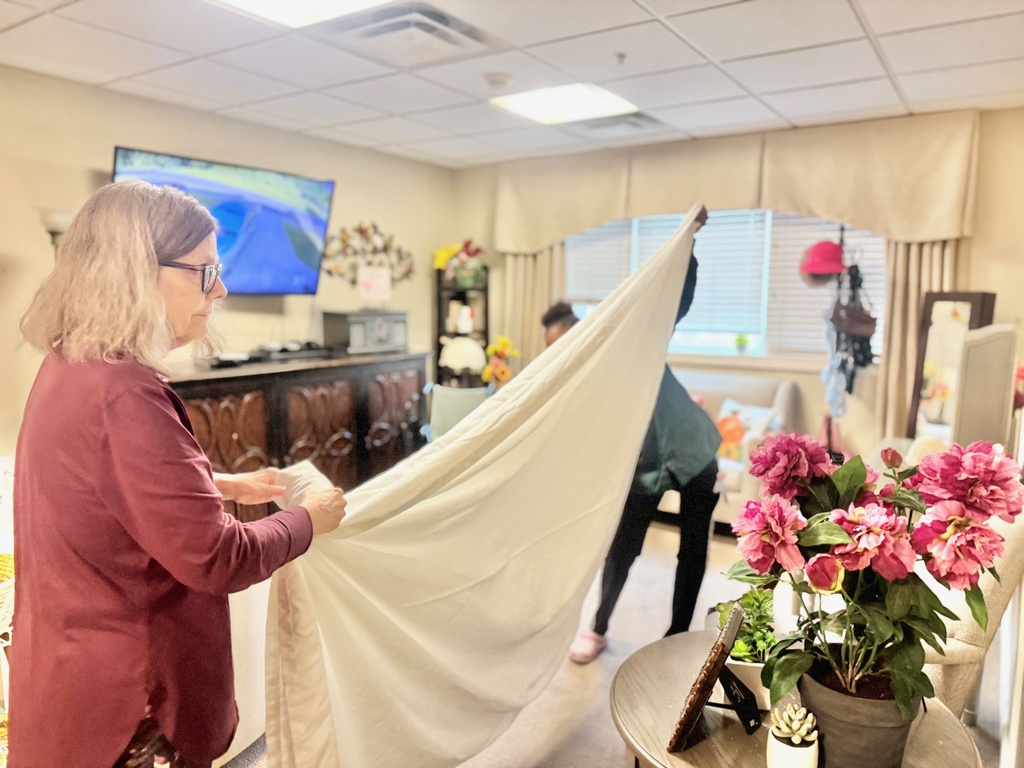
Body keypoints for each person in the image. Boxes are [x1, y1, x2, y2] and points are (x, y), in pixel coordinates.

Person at [11, 180, 349, 767]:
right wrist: (307, 521)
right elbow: (219, 558)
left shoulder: (71, 366)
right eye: (205, 271)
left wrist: (211, 485)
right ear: (137, 272)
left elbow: (91, 486)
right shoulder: (126, 394)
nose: (220, 289)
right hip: (129, 708)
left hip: (65, 679)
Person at [542, 209, 722, 664]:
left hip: (695, 452)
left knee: (692, 551)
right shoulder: (576, 386)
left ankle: (677, 635)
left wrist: (687, 244)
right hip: (643, 469)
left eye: (566, 341)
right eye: (554, 348)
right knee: (622, 550)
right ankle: (598, 626)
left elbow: (673, 302)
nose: (563, 352)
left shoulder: (633, 344)